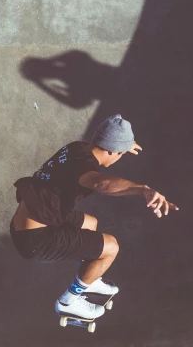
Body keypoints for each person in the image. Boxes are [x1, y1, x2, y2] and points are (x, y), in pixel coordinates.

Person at [10, 114, 178, 320]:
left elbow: (106, 145)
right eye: (121, 154)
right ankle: (68, 302)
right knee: (111, 247)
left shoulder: (76, 148)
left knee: (91, 223)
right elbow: (101, 184)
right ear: (112, 150)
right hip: (35, 239)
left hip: (28, 219)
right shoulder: (85, 170)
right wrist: (142, 189)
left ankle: (90, 275)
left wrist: (122, 142)